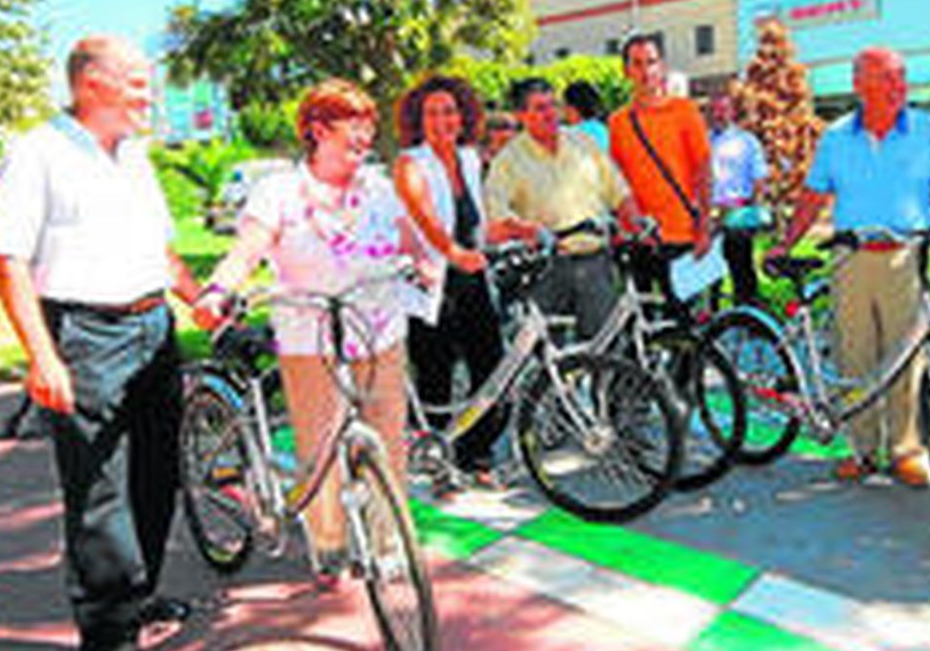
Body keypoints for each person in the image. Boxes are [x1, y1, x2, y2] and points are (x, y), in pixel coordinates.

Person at [0, 35, 202, 651]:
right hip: (85, 333)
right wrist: (42, 356)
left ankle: (138, 594)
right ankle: (107, 637)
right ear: (92, 82)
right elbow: (8, 259)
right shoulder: (37, 153)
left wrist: (199, 301)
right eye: (136, 80)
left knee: (159, 475)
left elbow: (162, 249)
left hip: (154, 324)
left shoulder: (135, 156)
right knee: (100, 490)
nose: (147, 92)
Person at [193, 79, 426, 586]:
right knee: (319, 443)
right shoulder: (277, 192)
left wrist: (425, 264)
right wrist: (218, 290)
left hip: (377, 331)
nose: (365, 137)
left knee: (388, 440)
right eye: (353, 127)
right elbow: (247, 249)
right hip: (309, 337)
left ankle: (389, 544)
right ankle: (330, 543)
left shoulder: (381, 190)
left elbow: (411, 241)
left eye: (369, 126)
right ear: (318, 130)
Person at [766, 47, 930, 487]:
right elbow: (813, 196)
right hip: (850, 259)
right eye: (887, 78)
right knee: (854, 355)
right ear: (859, 85)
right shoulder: (837, 137)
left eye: (902, 77)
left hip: (905, 257)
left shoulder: (928, 131)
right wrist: (785, 243)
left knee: (906, 359)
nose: (900, 86)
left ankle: (905, 450)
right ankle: (860, 449)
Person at [392, 75, 511, 483]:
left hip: (473, 280)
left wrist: (516, 230)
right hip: (432, 284)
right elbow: (425, 219)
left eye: (449, 111)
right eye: (432, 113)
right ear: (419, 121)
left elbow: (476, 223)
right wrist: (454, 253)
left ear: (463, 116)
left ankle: (474, 454)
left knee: (492, 370)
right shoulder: (411, 163)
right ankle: (436, 460)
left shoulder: (471, 159)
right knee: (435, 376)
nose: (442, 120)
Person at [485, 77, 636, 338]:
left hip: (594, 263)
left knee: (607, 351)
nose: (550, 114)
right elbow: (495, 220)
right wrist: (529, 230)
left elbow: (618, 191)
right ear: (522, 115)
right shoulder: (507, 161)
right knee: (547, 357)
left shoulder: (584, 144)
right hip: (546, 270)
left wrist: (636, 221)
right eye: (540, 108)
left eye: (553, 105)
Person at [608, 36, 713, 304]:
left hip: (680, 233)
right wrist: (622, 226)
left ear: (662, 67)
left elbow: (703, 170)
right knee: (642, 327)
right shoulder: (618, 122)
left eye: (651, 62)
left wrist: (704, 226)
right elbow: (616, 179)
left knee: (684, 325)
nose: (646, 71)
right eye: (637, 64)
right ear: (626, 71)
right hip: (638, 238)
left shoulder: (685, 111)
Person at [707, 88, 770, 305]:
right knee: (708, 274)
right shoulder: (702, 141)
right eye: (714, 110)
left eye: (723, 109)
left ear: (732, 112)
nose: (718, 114)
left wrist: (752, 212)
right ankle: (712, 321)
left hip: (737, 214)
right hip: (709, 216)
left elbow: (759, 180)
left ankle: (747, 320)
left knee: (741, 271)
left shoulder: (747, 141)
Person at [563, 79, 610, 152]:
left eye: (565, 104)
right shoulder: (602, 127)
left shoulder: (577, 133)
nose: (564, 110)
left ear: (574, 107)